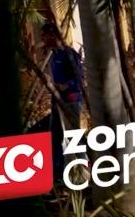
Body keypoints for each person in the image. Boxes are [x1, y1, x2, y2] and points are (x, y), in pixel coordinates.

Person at [41, 21, 85, 179]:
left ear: (53, 35)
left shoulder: (68, 53)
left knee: (73, 135)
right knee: (55, 135)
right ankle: (58, 172)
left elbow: (79, 77)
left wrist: (65, 86)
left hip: (71, 99)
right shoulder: (53, 56)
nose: (42, 39)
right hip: (57, 100)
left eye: (44, 35)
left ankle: (84, 169)